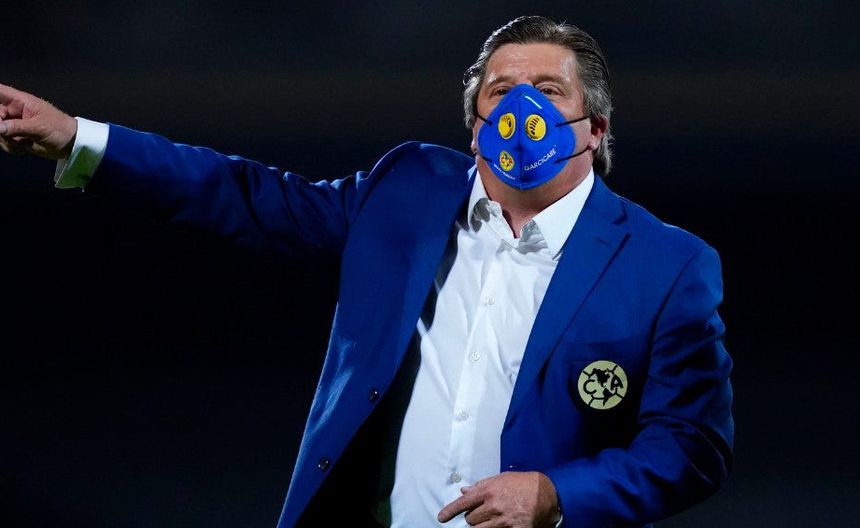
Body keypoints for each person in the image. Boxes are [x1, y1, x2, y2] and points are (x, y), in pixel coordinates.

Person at [0, 15, 733, 528]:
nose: (523, 109)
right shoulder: (408, 192)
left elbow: (691, 447)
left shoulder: (667, 265)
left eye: (548, 90)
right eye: (501, 91)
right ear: (475, 126)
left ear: (595, 128)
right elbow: (244, 194)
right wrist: (76, 138)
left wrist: (556, 494)